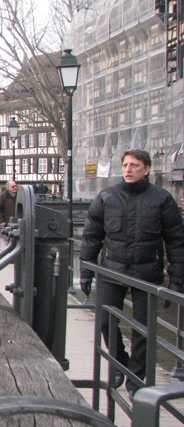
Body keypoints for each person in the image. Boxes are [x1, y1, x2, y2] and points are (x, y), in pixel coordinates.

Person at [79, 149, 184, 394]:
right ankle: (120, 363)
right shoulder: (107, 197)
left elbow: (176, 241)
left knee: (143, 331)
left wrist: (176, 280)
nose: (128, 169)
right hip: (112, 270)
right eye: (126, 165)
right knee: (105, 321)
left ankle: (136, 380)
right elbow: (92, 236)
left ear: (146, 169)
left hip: (147, 273)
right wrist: (86, 270)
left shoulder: (162, 200)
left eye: (135, 165)